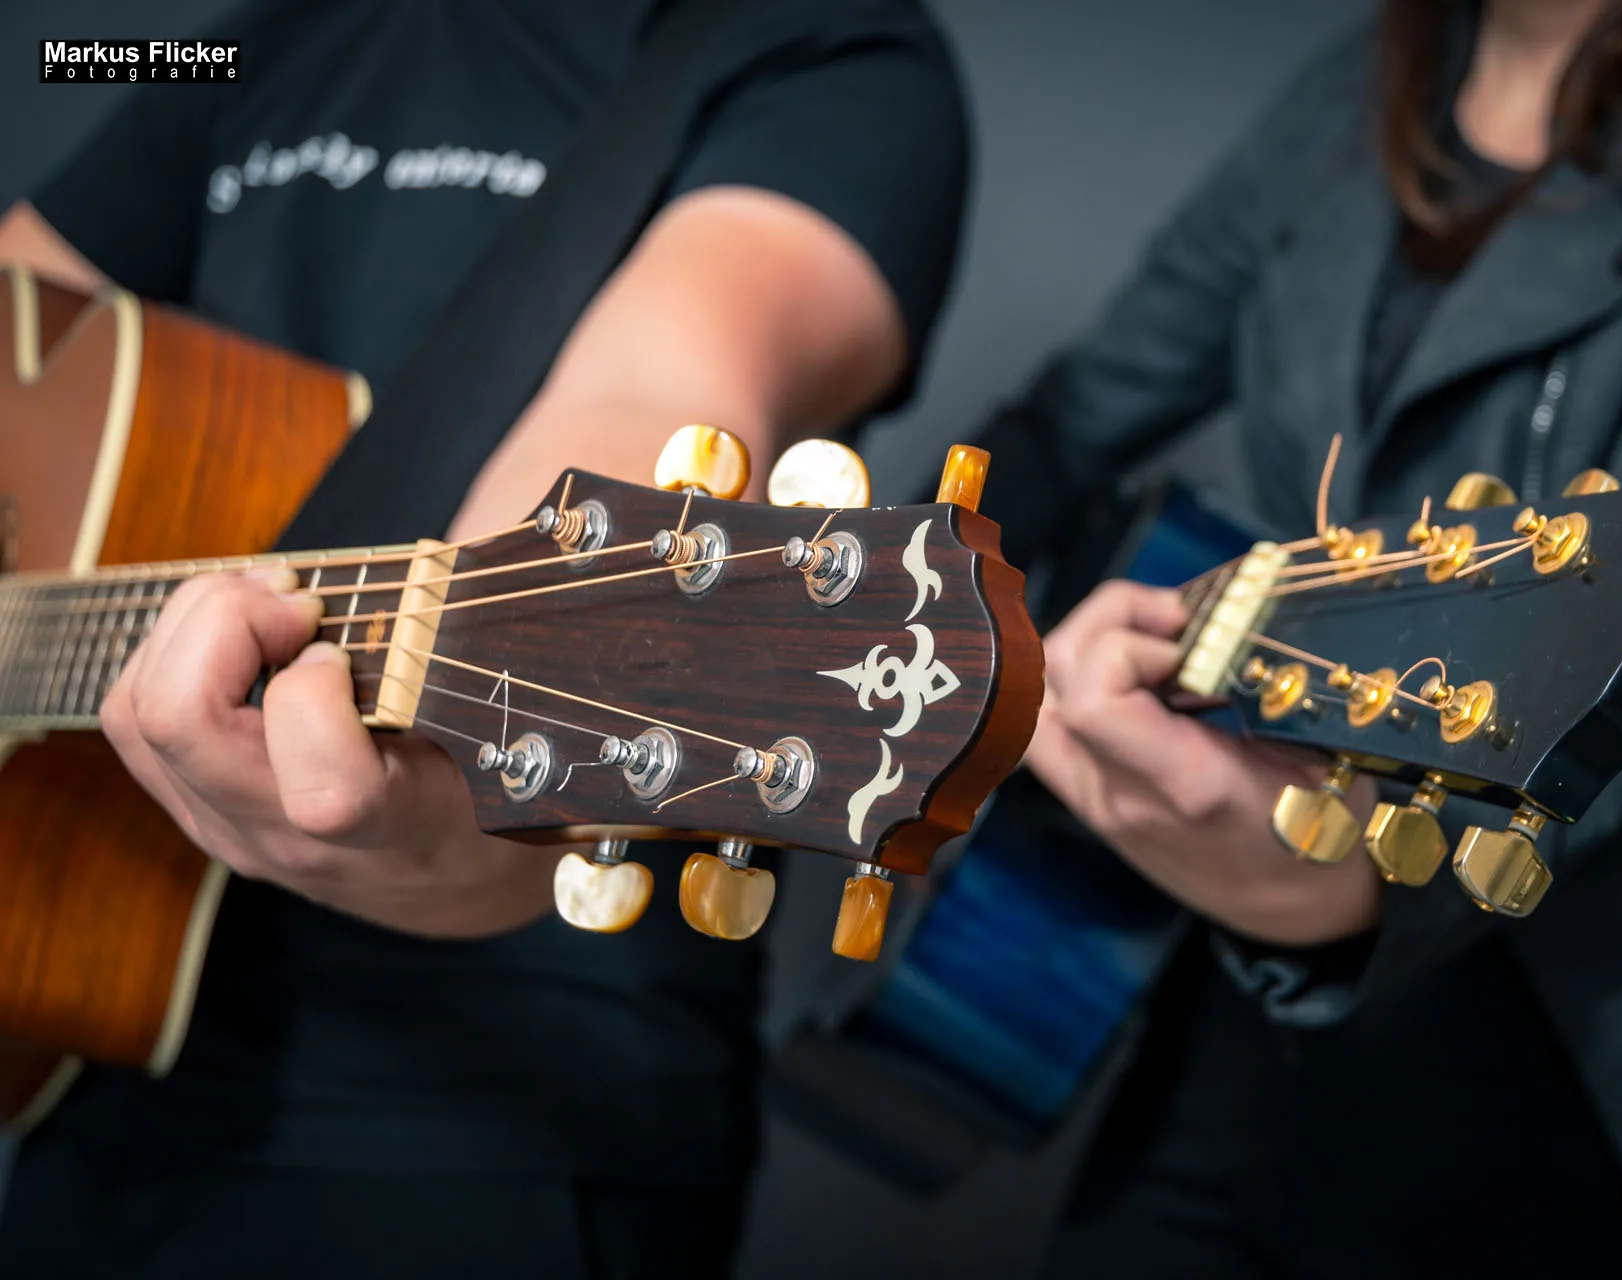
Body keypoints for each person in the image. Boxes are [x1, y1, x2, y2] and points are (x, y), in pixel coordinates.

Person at [0, 0, 967, 1275]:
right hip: (88, 1027)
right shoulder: (245, 42)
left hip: (494, 1123)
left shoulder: (822, 45)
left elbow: (655, 400)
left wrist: (446, 799)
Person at [975, 0, 1622, 1275]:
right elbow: (1067, 423)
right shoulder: (1358, 90)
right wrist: (887, 644)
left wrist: (1342, 884)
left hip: (1613, 1077)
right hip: (1249, 1020)